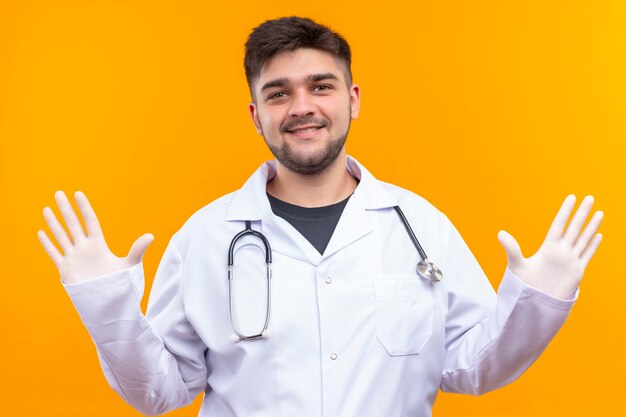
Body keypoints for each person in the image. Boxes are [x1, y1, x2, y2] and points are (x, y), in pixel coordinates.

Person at [38, 16, 603, 417]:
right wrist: (106, 308)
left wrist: (536, 305)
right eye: (278, 94)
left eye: (321, 86)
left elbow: (469, 369)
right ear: (256, 115)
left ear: (352, 99)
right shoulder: (206, 239)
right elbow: (159, 392)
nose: (302, 107)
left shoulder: (420, 226)